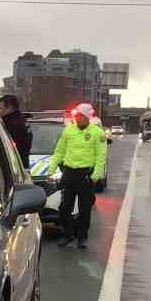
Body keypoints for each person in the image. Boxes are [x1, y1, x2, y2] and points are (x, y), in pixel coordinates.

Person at [46, 102, 106, 249]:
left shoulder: (97, 133)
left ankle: (81, 237)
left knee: (84, 209)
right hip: (69, 172)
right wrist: (51, 170)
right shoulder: (68, 131)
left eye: (80, 116)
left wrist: (95, 176)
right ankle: (68, 234)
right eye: (76, 116)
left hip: (86, 174)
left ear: (87, 117)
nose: (78, 119)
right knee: (65, 207)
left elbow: (101, 156)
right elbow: (59, 152)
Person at [0, 94, 32, 166]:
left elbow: (7, 148)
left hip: (12, 166)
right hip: (22, 164)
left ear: (9, 108)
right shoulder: (21, 120)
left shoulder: (12, 124)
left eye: (0, 108)